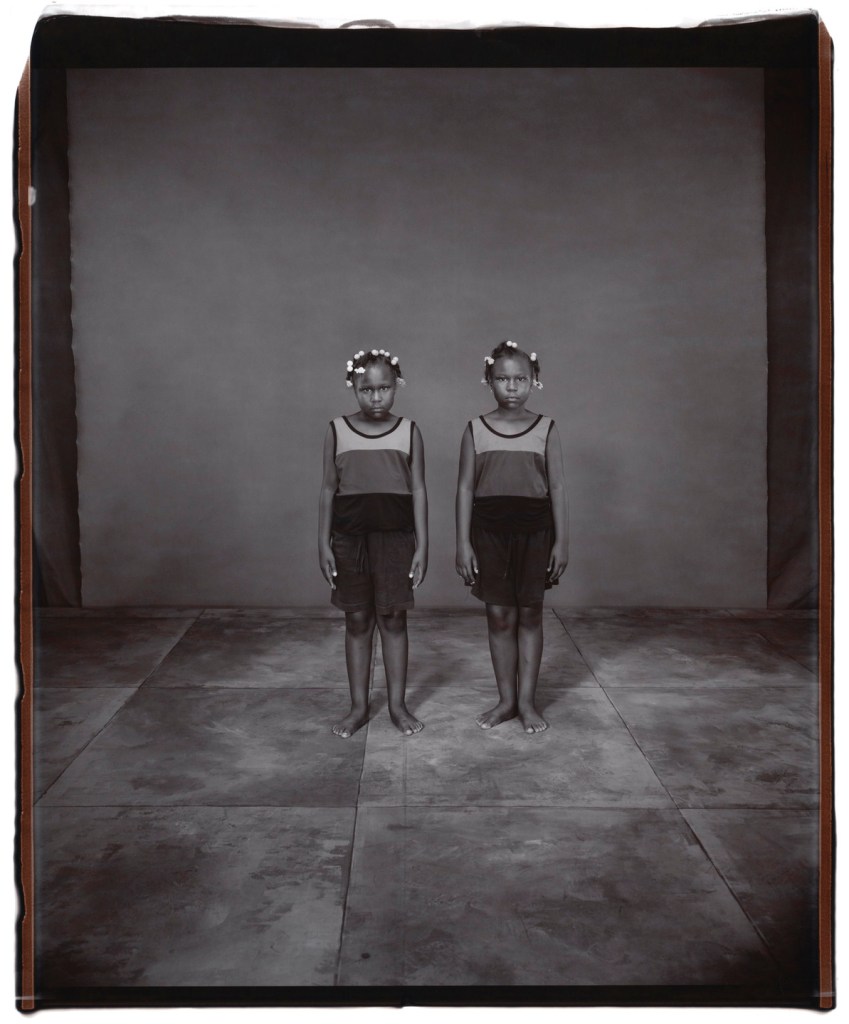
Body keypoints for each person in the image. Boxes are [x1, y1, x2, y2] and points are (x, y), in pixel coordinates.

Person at [455, 340, 569, 734]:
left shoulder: (546, 428)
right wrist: (463, 542)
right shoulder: (475, 429)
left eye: (521, 378)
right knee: (499, 616)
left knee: (530, 615)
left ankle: (527, 702)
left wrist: (561, 541)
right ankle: (505, 700)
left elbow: (557, 487)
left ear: (534, 380)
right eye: (503, 379)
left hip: (536, 533)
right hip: (489, 534)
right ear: (489, 381)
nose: (512, 387)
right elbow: (465, 489)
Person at [319, 348, 428, 738]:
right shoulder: (337, 429)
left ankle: (397, 705)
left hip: (396, 539)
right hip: (349, 540)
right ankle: (358, 707)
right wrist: (323, 542)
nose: (376, 397)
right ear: (353, 386)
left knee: (393, 619)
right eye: (367, 389)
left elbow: (418, 490)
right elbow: (328, 489)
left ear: (396, 386)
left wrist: (423, 545)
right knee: (357, 620)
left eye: (384, 388)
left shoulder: (408, 430)